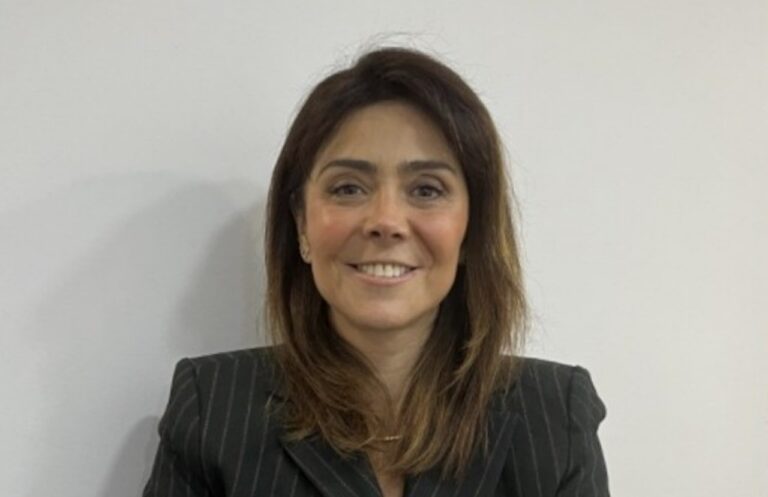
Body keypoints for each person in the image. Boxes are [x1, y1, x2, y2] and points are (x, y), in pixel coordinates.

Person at [142, 47, 610, 497]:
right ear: (302, 224)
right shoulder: (212, 407)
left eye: (426, 190)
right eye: (348, 188)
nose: (386, 221)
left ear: (472, 229)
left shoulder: (556, 415)